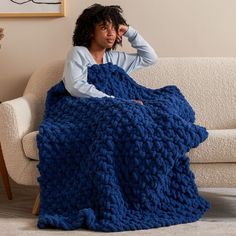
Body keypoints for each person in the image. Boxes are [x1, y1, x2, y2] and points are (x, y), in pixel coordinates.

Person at [63, 4, 158, 105]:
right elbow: (75, 87)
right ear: (91, 32)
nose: (111, 33)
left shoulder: (114, 59)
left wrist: (130, 32)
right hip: (88, 107)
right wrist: (117, 101)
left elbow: (150, 58)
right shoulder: (78, 53)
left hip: (114, 106)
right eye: (104, 28)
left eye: (114, 28)